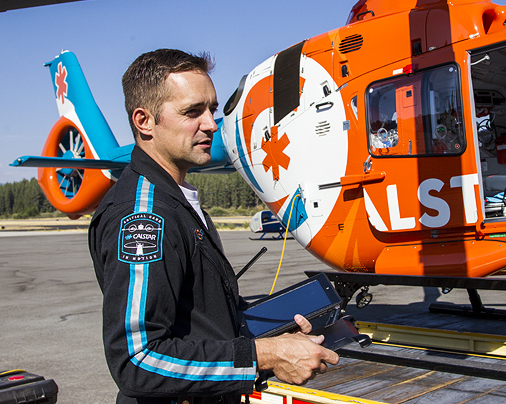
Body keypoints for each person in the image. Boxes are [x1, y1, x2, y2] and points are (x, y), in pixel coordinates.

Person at [88, 49, 339, 404]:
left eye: (212, 109)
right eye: (192, 112)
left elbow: (197, 318)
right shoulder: (143, 216)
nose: (211, 123)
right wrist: (265, 355)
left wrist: (278, 332)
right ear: (144, 121)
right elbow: (136, 361)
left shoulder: (174, 197)